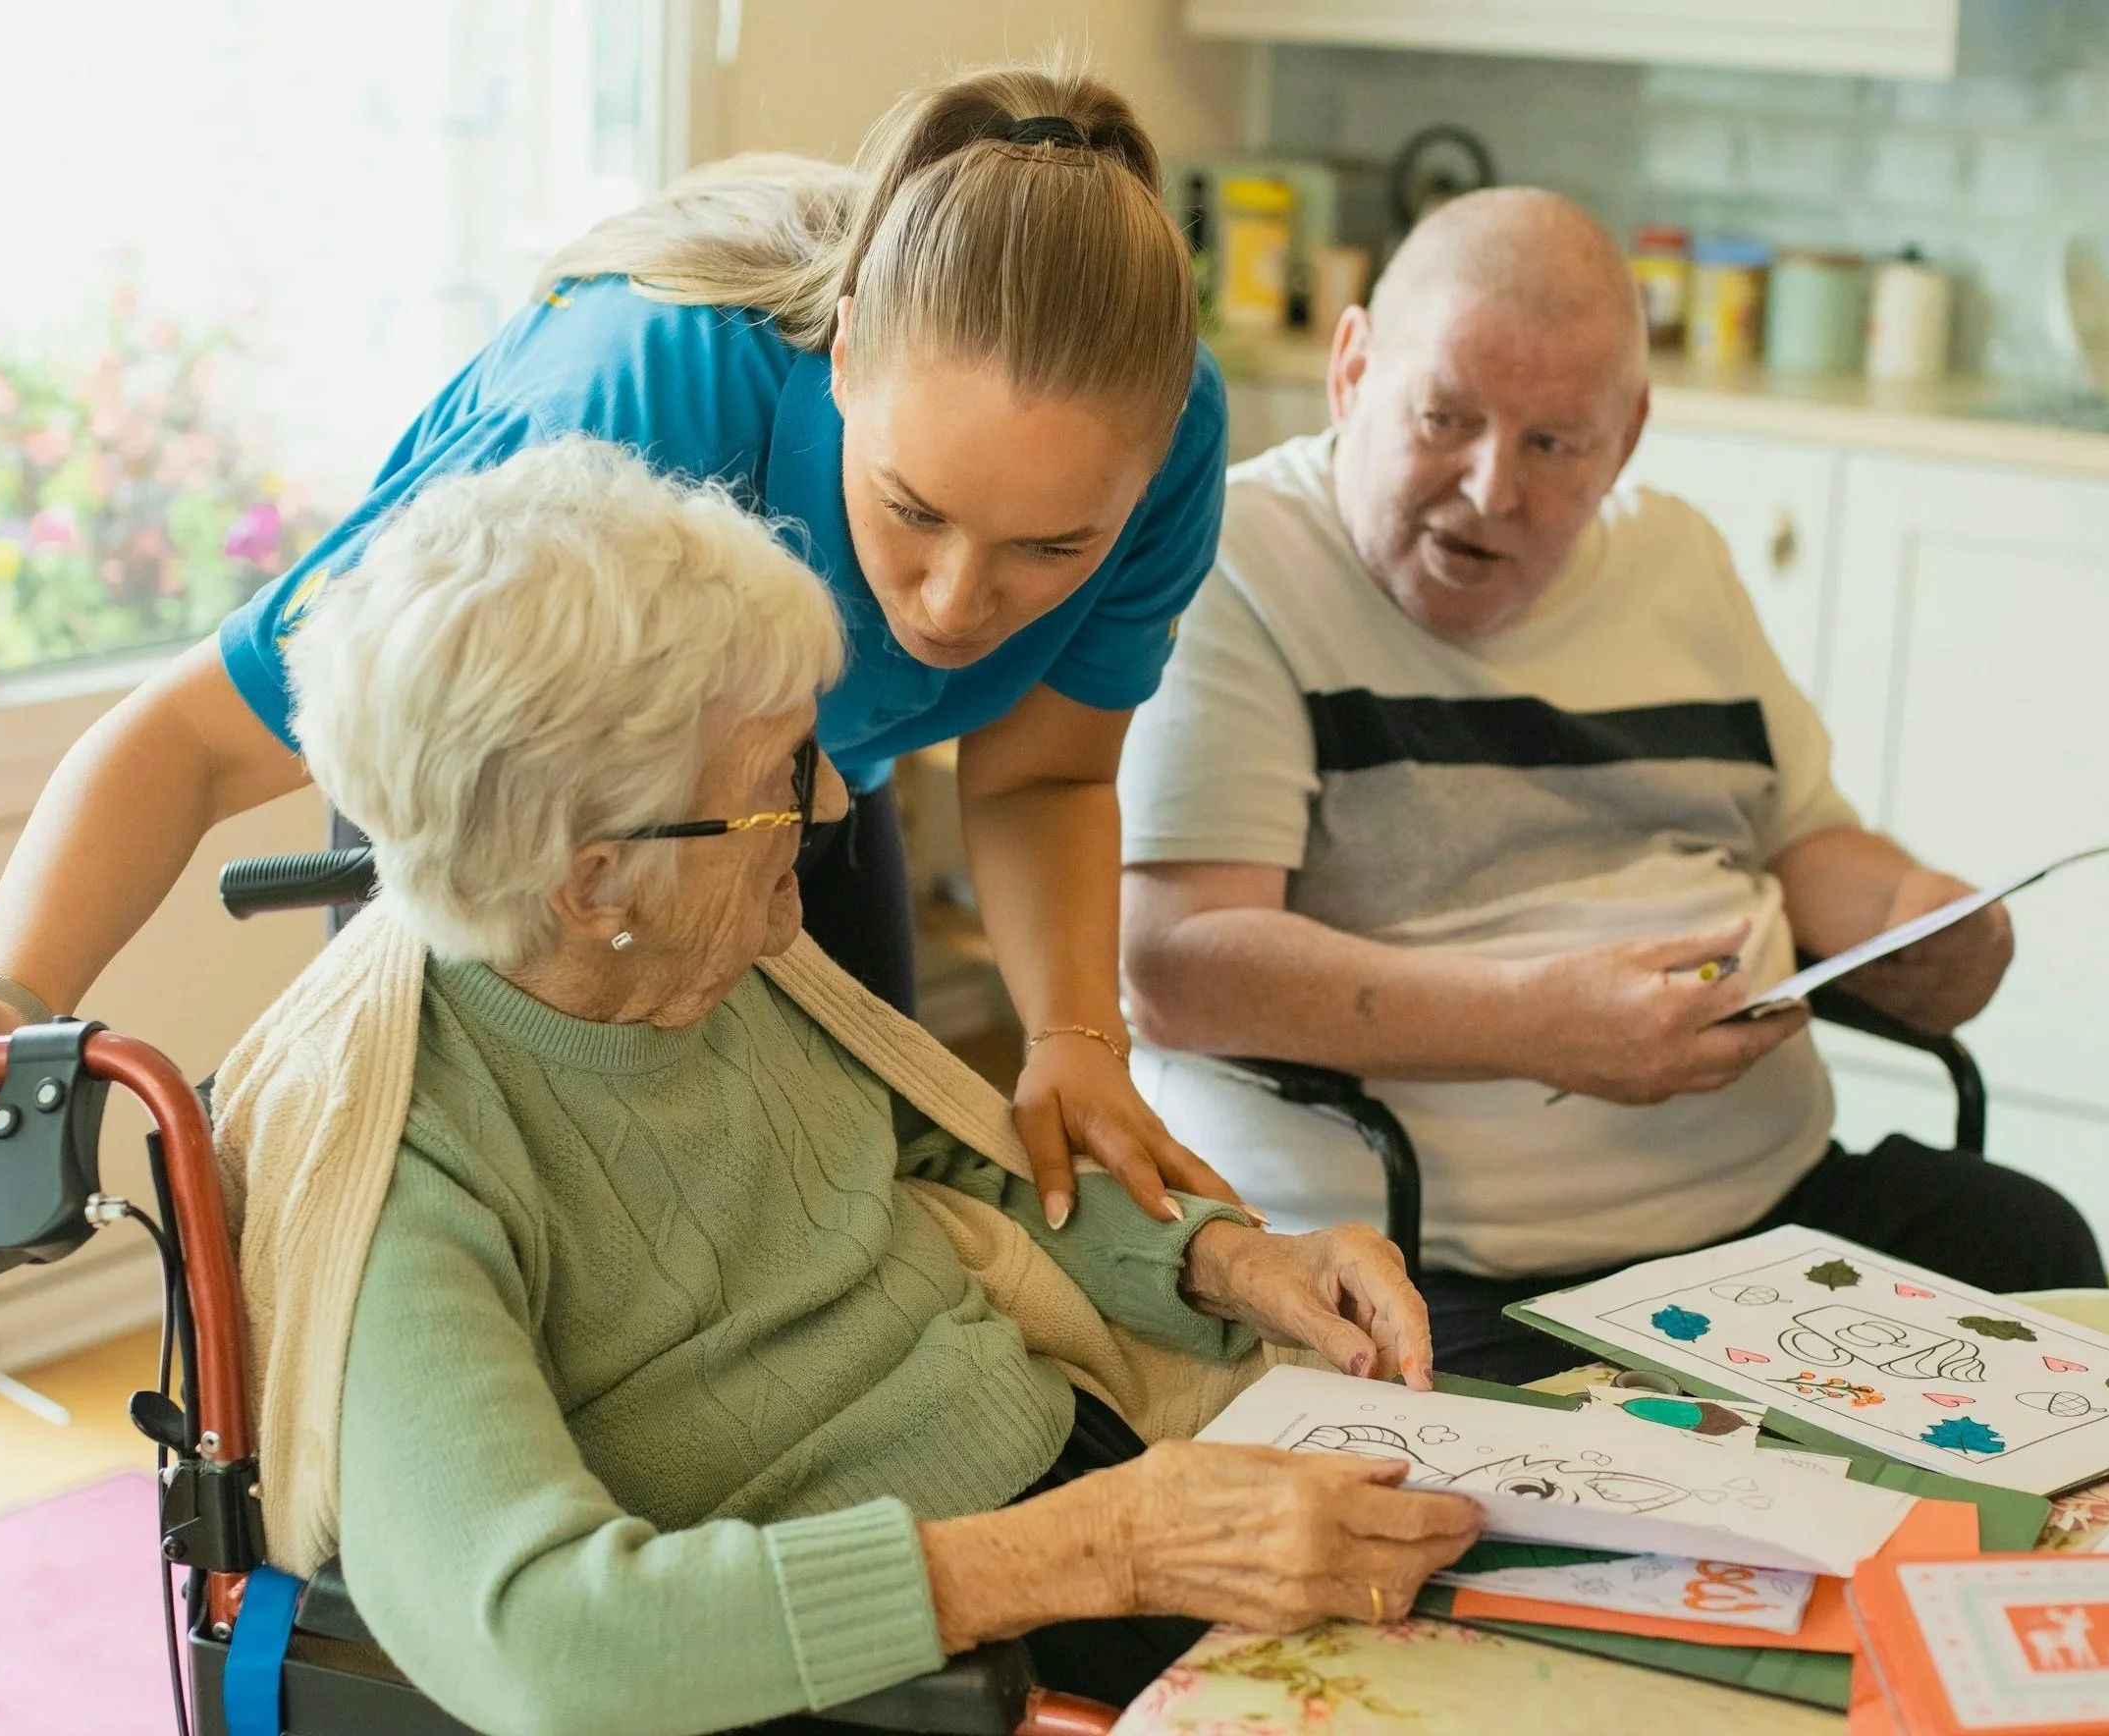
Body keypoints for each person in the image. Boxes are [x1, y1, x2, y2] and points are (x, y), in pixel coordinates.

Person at [0, 62, 1237, 1228]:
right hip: (500, 749)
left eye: (1053, 548)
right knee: (507, 1218)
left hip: (794, 772)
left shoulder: (1164, 443)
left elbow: (1042, 777)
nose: (953, 605)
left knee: (859, 1182)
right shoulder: (614, 428)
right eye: (912, 511)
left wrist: (1072, 1040)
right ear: (846, 355)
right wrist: (10, 1006)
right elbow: (184, 740)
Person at [219, 438, 1477, 1736]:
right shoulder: (403, 1165)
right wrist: (1101, 1548)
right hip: (899, 1663)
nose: (827, 805)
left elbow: (940, 1163)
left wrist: (1225, 1263)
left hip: (1075, 1494)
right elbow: (548, 1639)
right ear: (593, 882)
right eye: (775, 783)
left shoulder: (698, 959)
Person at [1114, 189, 2106, 1387]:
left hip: (1772, 1208)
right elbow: (1173, 965)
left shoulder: (1674, 554)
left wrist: (1922, 918)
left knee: (2033, 1249)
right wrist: (1535, 1025)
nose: (1490, 488)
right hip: (1430, 1259)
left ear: (1625, 435)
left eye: (1553, 443)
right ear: (1352, 369)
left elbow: (1805, 839)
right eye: (1444, 417)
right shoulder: (1238, 559)